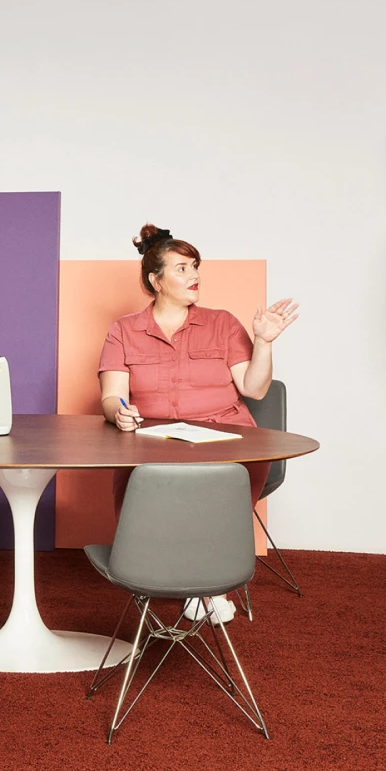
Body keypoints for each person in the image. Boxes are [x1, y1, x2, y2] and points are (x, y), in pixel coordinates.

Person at [98, 225, 299, 623]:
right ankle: (168, 574)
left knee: (221, 480)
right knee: (144, 482)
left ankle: (210, 585)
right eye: (182, 269)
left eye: (195, 267)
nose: (194, 277)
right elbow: (111, 395)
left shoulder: (222, 323)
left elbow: (254, 389)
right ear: (156, 281)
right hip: (154, 439)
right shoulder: (124, 330)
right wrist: (118, 411)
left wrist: (265, 342)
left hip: (226, 435)